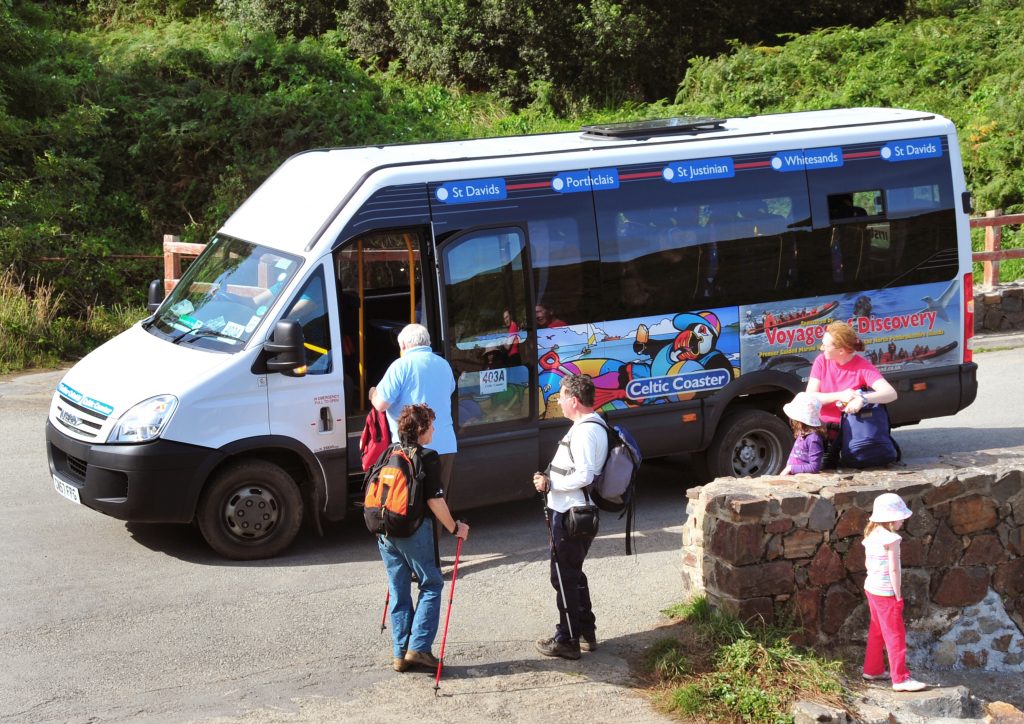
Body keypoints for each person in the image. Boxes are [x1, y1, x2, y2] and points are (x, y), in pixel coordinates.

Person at [378, 404, 469, 673]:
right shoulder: (428, 457)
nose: (434, 429)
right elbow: (434, 500)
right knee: (431, 584)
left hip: (386, 532)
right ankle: (418, 648)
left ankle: (400, 653)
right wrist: (455, 528)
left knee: (399, 589)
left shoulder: (388, 452)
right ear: (420, 429)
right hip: (413, 531)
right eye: (430, 424)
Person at [532, 374, 608, 660]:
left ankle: (567, 640)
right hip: (571, 511)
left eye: (562, 397)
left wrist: (550, 484)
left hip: (571, 514)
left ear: (574, 401)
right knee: (572, 574)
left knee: (563, 577)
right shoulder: (588, 426)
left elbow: (586, 474)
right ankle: (586, 631)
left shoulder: (586, 431)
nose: (559, 402)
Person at [369, 324, 457, 493]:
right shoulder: (444, 364)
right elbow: (450, 390)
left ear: (403, 346)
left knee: (414, 504)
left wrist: (372, 392)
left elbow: (381, 404)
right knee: (439, 501)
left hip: (412, 450)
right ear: (428, 342)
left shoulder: (400, 366)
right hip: (446, 446)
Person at [806, 321, 897, 465]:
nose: (821, 348)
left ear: (841, 350)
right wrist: (840, 395)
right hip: (824, 432)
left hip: (852, 434)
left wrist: (863, 399)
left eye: (825, 345)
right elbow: (809, 397)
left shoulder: (861, 366)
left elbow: (891, 393)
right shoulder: (821, 361)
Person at [861, 493, 927, 692]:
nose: (903, 521)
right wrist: (897, 594)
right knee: (895, 634)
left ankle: (872, 670)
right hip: (886, 592)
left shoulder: (871, 535)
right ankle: (900, 678)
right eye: (900, 517)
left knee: (877, 631)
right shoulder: (892, 538)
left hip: (871, 588)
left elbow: (867, 563)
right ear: (890, 518)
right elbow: (894, 569)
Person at [780, 392, 825, 475]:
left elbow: (814, 467)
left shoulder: (813, 439)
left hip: (801, 479)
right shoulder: (802, 432)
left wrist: (790, 468)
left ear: (798, 420)